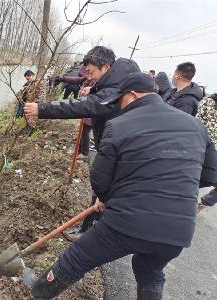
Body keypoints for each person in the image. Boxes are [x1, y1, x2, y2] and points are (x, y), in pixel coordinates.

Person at [22, 72, 217, 300]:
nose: (119, 106)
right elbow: (211, 174)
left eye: (120, 100)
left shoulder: (119, 124)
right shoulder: (195, 125)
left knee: (78, 257)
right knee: (150, 271)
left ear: (132, 95)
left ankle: (38, 291)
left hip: (128, 222)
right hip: (178, 230)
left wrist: (105, 198)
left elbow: (100, 180)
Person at [24, 46, 141, 234]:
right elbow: (96, 96)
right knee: (102, 192)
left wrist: (43, 109)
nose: (89, 76)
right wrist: (93, 90)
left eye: (92, 72)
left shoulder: (117, 89)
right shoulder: (117, 80)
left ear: (106, 67)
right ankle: (88, 229)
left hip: (119, 151)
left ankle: (92, 232)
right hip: (112, 145)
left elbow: (85, 106)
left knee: (104, 192)